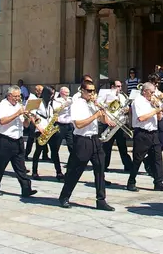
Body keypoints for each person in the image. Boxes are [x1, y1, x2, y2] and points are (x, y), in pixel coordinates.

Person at [58, 80, 115, 211]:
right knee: (76, 170)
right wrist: (95, 115)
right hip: (82, 140)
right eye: (89, 91)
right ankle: (64, 196)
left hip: (95, 139)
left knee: (100, 169)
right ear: (82, 91)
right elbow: (78, 124)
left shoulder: (93, 104)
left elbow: (103, 120)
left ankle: (101, 200)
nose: (92, 93)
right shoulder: (77, 104)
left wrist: (102, 110)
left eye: (93, 91)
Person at [0, 86, 37, 198]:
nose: (18, 98)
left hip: (18, 140)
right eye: (16, 96)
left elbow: (25, 125)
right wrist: (17, 113)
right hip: (5, 140)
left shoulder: (19, 106)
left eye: (19, 96)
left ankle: (26, 189)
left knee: (21, 167)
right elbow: (2, 121)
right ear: (9, 96)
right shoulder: (1, 106)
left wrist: (27, 117)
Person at [126, 82, 163, 192]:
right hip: (142, 133)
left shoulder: (151, 102)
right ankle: (131, 181)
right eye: (151, 92)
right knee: (138, 159)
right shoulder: (138, 101)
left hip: (154, 133)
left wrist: (159, 110)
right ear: (145, 91)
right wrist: (155, 110)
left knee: (158, 157)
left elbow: (159, 118)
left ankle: (158, 182)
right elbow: (141, 118)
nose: (153, 94)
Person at [32, 86, 65, 181]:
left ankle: (59, 172)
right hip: (41, 130)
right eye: (51, 94)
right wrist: (39, 128)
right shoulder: (36, 102)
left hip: (50, 129)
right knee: (38, 151)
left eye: (53, 94)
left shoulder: (51, 104)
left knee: (55, 151)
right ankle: (34, 172)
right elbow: (32, 116)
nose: (52, 96)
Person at [103, 80, 132, 173]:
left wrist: (127, 110)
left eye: (120, 86)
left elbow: (126, 108)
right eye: (117, 86)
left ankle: (127, 165)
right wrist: (108, 120)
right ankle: (104, 165)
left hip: (120, 123)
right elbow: (103, 109)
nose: (120, 88)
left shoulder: (123, 96)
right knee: (107, 147)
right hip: (110, 123)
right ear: (112, 86)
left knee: (123, 146)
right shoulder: (107, 96)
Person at [56, 85, 75, 156]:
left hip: (69, 124)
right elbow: (55, 110)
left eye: (68, 93)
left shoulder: (71, 99)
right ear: (61, 93)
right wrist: (64, 105)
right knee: (57, 143)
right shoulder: (57, 100)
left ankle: (72, 160)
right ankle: (54, 158)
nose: (67, 95)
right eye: (66, 93)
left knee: (71, 144)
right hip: (60, 125)